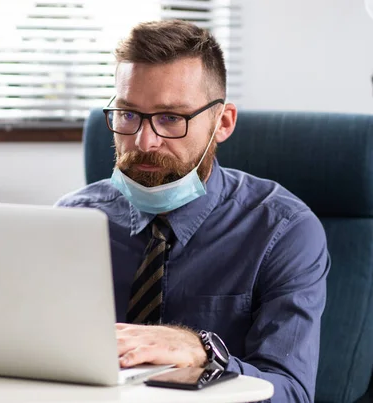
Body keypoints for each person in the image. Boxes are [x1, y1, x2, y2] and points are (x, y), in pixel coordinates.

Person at [56, 20, 329, 402]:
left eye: (171, 118)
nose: (143, 140)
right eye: (128, 114)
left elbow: (291, 393)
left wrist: (204, 354)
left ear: (223, 123)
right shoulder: (70, 220)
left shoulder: (283, 231)